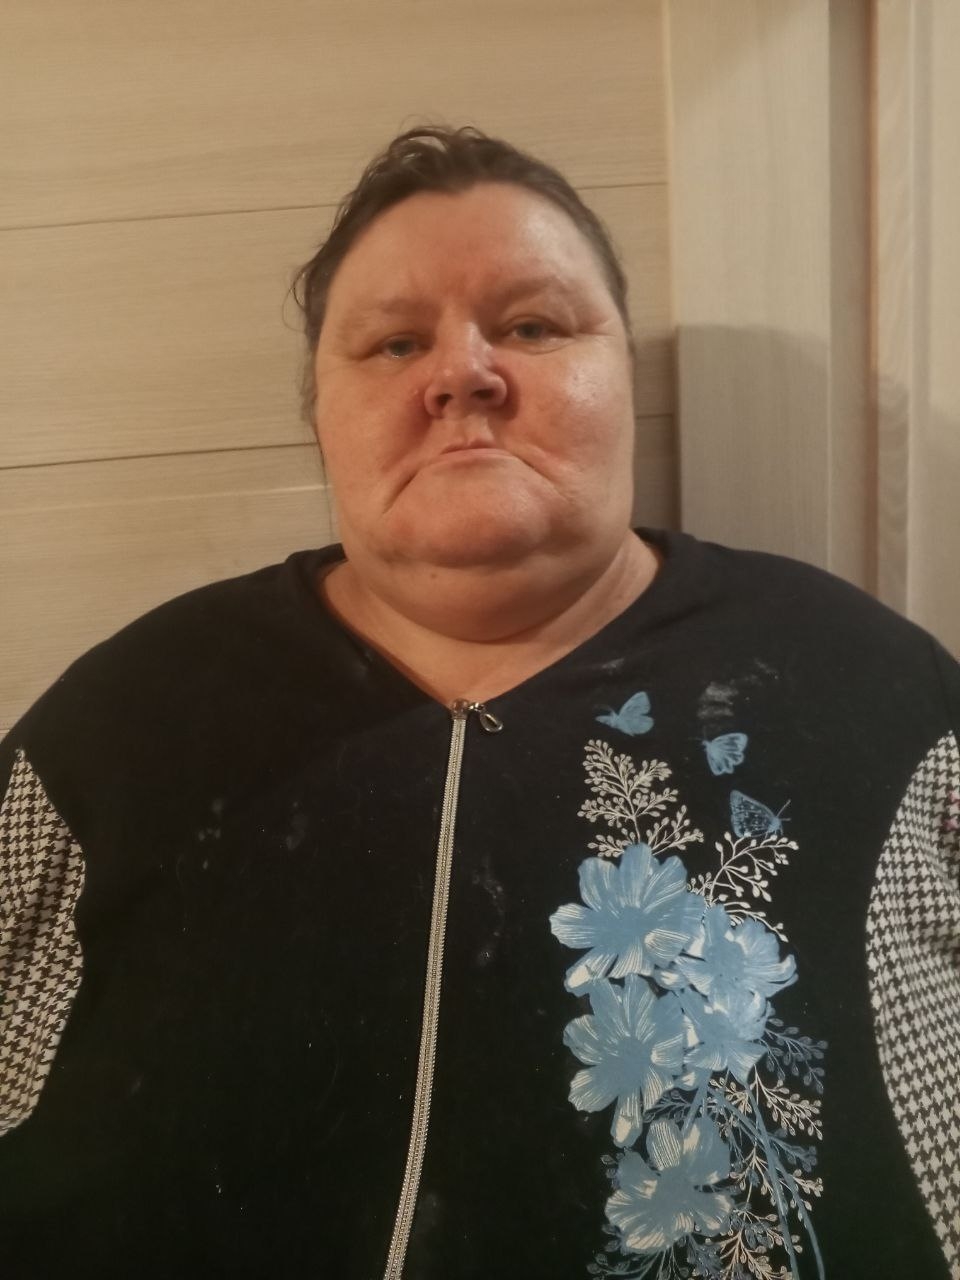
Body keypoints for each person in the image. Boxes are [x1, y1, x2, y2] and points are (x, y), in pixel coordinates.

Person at [1, 124, 958, 1280]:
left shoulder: (870, 693)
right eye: (396, 341)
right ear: (320, 416)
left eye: (534, 325)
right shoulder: (127, 721)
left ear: (627, 382)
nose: (463, 373)